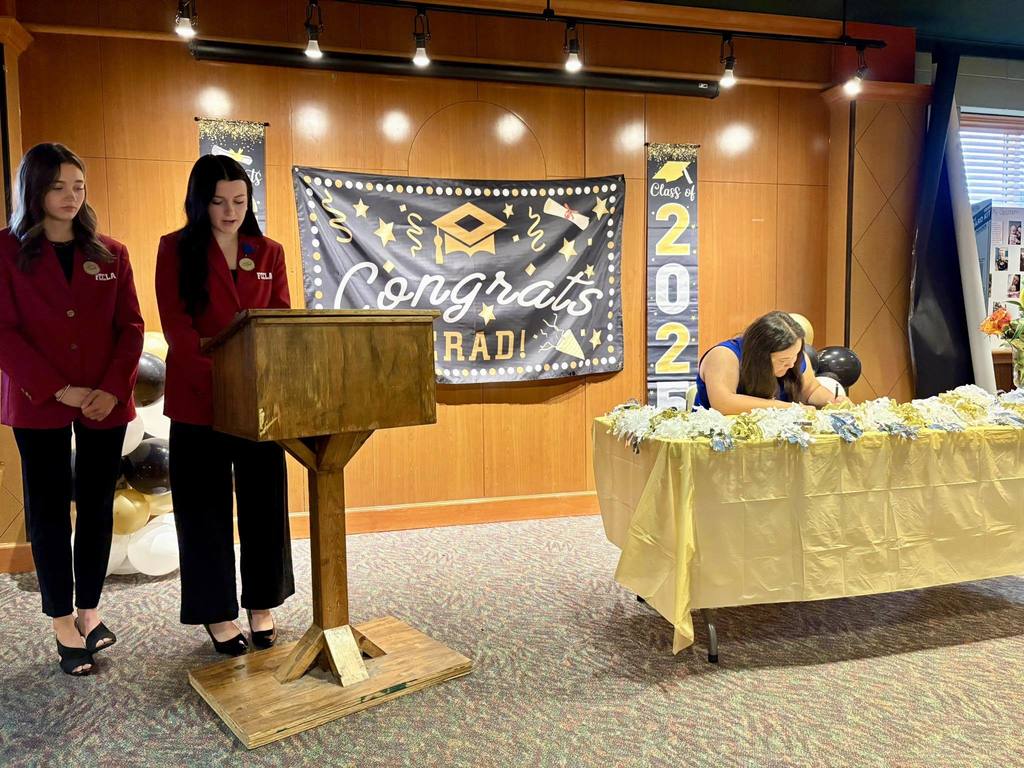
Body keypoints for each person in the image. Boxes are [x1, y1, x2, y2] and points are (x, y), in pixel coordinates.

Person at [0, 143, 144, 675]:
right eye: (58, 186)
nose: (70, 196)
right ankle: (61, 618)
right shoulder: (5, 251)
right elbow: (3, 331)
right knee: (48, 509)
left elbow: (130, 326)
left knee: (98, 506)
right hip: (41, 402)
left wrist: (110, 387)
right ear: (34, 191)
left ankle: (89, 611)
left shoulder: (111, 252)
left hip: (105, 401)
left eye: (78, 185)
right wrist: (58, 389)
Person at [156, 154, 293, 656]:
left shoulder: (268, 250)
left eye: (240, 201)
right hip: (199, 400)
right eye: (219, 202)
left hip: (259, 401)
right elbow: (178, 327)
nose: (230, 211)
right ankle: (216, 611)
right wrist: (227, 379)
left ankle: (263, 603)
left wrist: (255, 382)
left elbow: (277, 319)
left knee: (265, 505)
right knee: (203, 511)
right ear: (200, 201)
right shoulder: (175, 249)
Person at [694, 311, 845, 414]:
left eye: (795, 356)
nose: (792, 365)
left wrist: (831, 401)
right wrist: (789, 408)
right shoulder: (724, 356)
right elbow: (724, 403)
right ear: (761, 355)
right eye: (783, 361)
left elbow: (811, 390)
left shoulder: (795, 357)